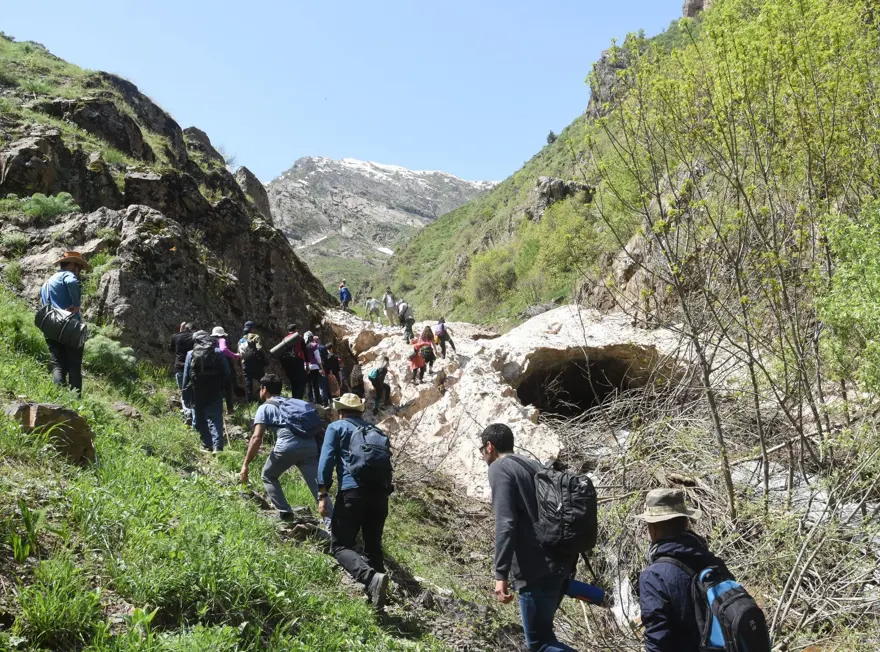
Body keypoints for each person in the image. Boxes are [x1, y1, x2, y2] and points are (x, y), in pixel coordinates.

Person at [480, 423, 579, 652]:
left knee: (540, 645)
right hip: (559, 563)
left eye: (482, 450)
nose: (483, 456)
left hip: (535, 571)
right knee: (546, 636)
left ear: (489, 446)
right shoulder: (533, 465)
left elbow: (505, 522)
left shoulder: (499, 468)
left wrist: (500, 574)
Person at [317, 393, 393, 610]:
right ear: (360, 411)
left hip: (353, 492)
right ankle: (378, 603)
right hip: (380, 496)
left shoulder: (337, 427)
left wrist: (323, 493)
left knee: (340, 545)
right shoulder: (376, 431)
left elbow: (325, 461)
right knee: (372, 547)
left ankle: (370, 579)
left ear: (340, 411)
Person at [637, 489, 729, 652]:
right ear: (686, 523)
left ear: (654, 529)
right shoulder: (714, 563)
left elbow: (658, 642)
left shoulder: (654, 576)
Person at [239, 374, 331, 526]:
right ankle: (332, 527)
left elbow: (256, 438)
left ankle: (285, 512)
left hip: (286, 445)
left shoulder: (265, 407)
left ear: (264, 389)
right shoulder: (295, 402)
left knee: (268, 475)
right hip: (310, 446)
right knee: (319, 489)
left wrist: (246, 463)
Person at [39, 251, 91, 395]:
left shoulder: (47, 283)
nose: (79, 271)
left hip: (51, 327)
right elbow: (72, 282)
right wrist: (76, 304)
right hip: (69, 326)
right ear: (71, 264)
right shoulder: (67, 275)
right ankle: (75, 401)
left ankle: (59, 397)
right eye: (79, 267)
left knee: (58, 365)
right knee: (74, 366)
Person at [183, 330, 232, 453]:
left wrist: (184, 393)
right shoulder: (218, 352)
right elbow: (227, 373)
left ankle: (207, 443)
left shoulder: (190, 354)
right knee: (215, 417)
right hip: (214, 389)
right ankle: (218, 447)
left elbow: (186, 375)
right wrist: (223, 388)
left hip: (197, 389)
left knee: (199, 418)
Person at [275, 323, 308, 400]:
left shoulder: (284, 339)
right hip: (298, 362)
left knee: (293, 382)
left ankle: (294, 398)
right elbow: (305, 351)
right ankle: (298, 399)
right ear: (295, 329)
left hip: (287, 364)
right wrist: (307, 363)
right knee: (301, 381)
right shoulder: (299, 337)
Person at [170, 322, 195, 424]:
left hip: (180, 367)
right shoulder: (194, 337)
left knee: (183, 391)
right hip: (193, 368)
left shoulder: (176, 337)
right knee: (194, 391)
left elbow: (172, 349)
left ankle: (188, 413)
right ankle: (195, 414)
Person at [238, 321, 267, 403]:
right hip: (256, 363)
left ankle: (250, 402)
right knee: (263, 381)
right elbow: (259, 348)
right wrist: (264, 358)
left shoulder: (241, 340)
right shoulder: (255, 336)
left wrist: (241, 365)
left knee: (248, 385)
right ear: (252, 329)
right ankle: (265, 399)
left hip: (246, 365)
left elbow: (239, 354)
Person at [212, 326, 239, 416]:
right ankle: (229, 409)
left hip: (213, 367)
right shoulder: (221, 340)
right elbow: (223, 349)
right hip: (224, 366)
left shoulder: (210, 341)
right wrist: (235, 355)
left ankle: (218, 410)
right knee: (227, 388)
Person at [304, 331, 326, 406]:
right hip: (314, 367)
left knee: (308, 385)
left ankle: (309, 401)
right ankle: (318, 401)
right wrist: (321, 368)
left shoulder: (303, 346)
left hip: (305, 367)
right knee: (315, 385)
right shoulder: (314, 345)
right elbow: (318, 358)